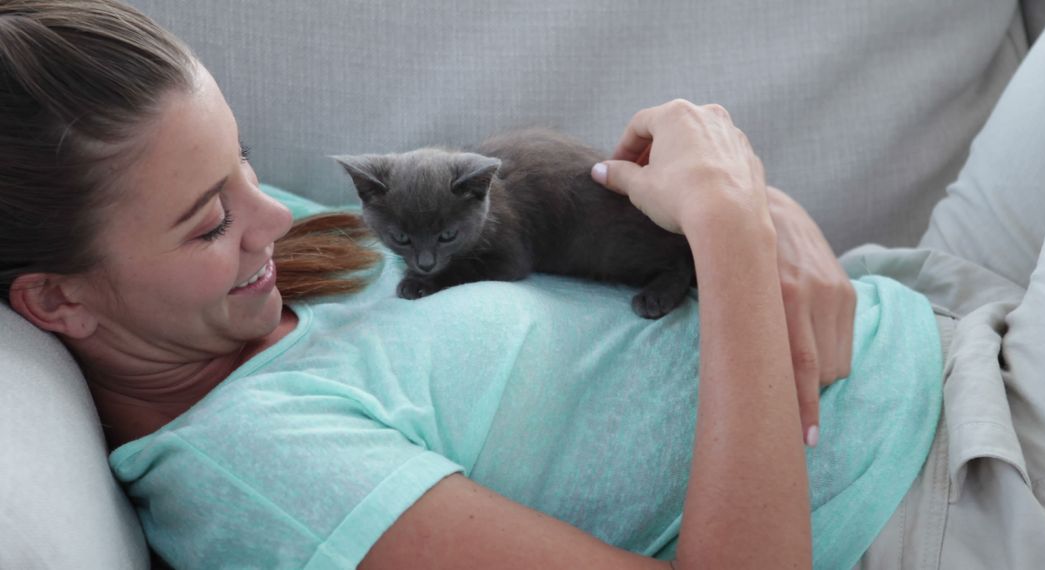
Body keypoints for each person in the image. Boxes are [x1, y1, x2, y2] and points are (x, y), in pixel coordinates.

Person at [0, 1, 955, 569]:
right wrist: (734, 232)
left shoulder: (253, 277)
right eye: (211, 218)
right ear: (57, 302)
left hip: (932, 305)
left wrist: (772, 221)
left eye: (244, 167)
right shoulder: (258, 472)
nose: (279, 217)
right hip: (945, 491)